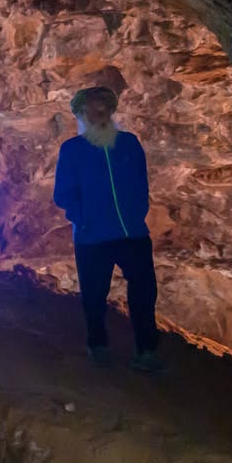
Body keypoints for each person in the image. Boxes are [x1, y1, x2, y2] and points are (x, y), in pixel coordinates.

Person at [52, 86, 165, 373]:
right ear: (80, 115)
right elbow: (62, 194)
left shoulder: (129, 143)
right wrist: (84, 218)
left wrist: (138, 213)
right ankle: (98, 345)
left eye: (103, 107)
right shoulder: (72, 150)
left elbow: (142, 182)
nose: (98, 113)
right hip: (92, 238)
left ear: (111, 111)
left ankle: (147, 350)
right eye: (91, 109)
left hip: (133, 234)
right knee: (93, 294)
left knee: (144, 292)